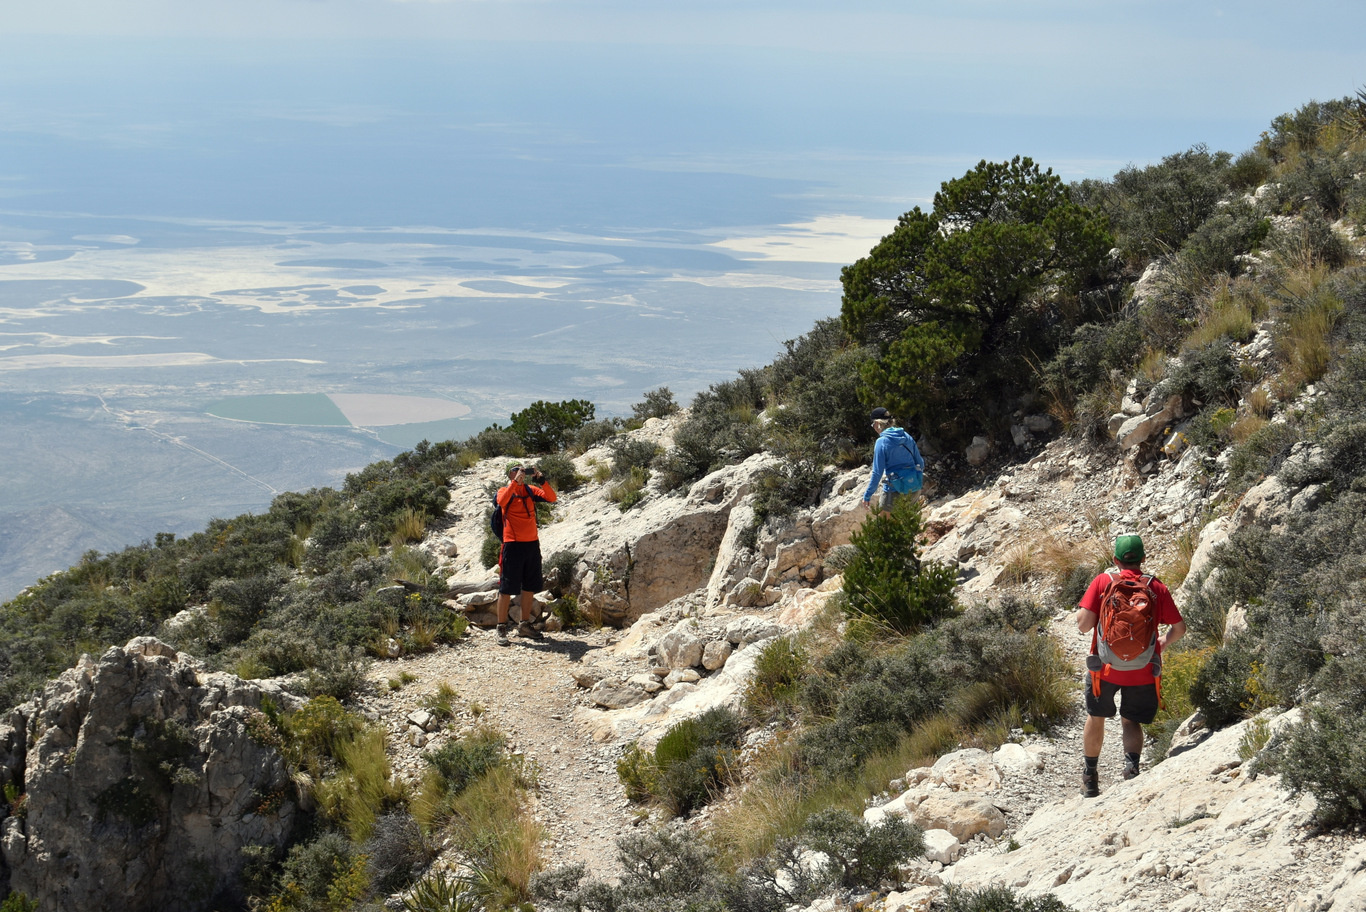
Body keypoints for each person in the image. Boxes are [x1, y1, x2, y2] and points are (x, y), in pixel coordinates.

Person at [1075, 533, 1186, 797]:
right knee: (1131, 720)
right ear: (1143, 559)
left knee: (1096, 717)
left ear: (1115, 560)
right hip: (1143, 669)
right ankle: (1131, 770)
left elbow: (1082, 625)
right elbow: (1179, 629)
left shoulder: (1103, 581)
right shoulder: (1156, 587)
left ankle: (1090, 778)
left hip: (1105, 669)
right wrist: (1161, 644)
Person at [494, 462, 557, 646]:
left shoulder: (530, 490)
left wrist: (541, 480)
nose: (520, 474)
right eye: (516, 472)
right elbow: (502, 502)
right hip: (512, 545)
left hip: (531, 544)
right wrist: (515, 483)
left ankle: (524, 625)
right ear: (510, 475)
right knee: (506, 588)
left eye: (523, 471)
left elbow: (551, 498)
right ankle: (501, 628)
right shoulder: (504, 490)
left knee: (529, 586)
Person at [861, 406, 925, 513]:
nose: (873, 427)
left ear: (878, 423)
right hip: (914, 488)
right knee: (907, 526)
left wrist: (867, 495)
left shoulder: (882, 442)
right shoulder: (906, 436)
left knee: (886, 527)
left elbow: (877, 473)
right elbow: (920, 463)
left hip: (893, 492)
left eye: (873, 424)